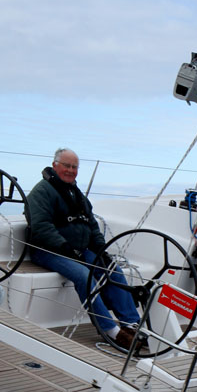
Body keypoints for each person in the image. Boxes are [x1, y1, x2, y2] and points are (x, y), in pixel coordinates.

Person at [27, 147, 145, 351]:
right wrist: (65, 248)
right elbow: (41, 227)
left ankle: (131, 324)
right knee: (84, 276)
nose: (71, 170)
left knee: (112, 270)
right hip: (48, 251)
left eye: (74, 167)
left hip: (78, 250)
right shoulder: (41, 192)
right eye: (67, 165)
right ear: (55, 165)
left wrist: (102, 251)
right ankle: (110, 330)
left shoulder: (76, 193)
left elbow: (91, 225)